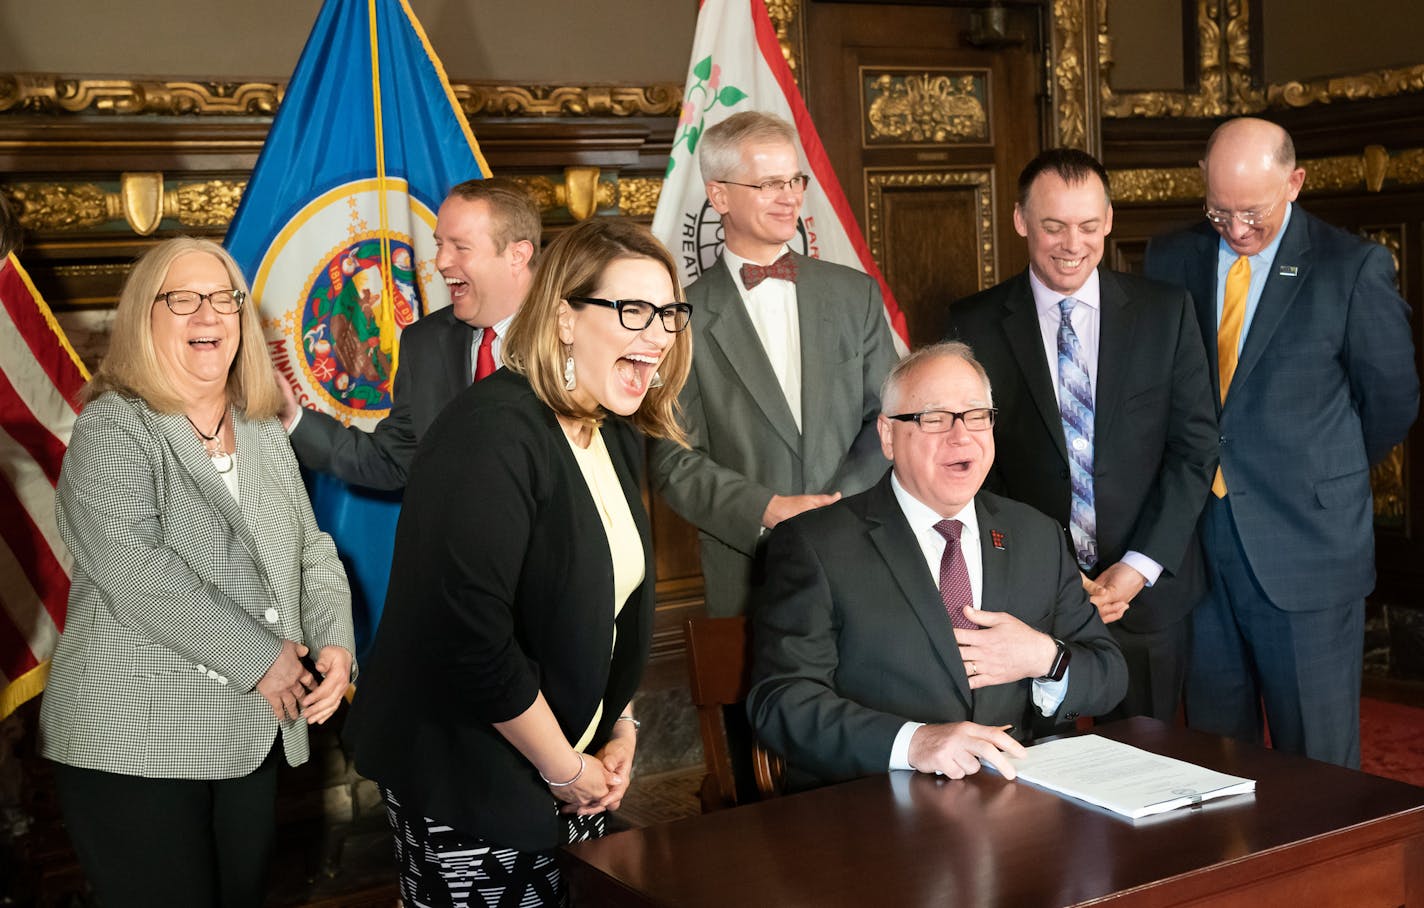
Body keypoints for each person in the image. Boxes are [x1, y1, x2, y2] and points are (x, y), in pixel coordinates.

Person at [344, 218, 693, 905]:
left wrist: (619, 726)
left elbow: (607, 607)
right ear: (564, 317)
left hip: (572, 768)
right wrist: (567, 771)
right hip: (470, 774)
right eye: (633, 311)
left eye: (669, 314)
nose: (657, 334)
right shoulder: (491, 432)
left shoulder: (611, 429)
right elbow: (471, 643)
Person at [38, 237, 355, 907]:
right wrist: (266, 659)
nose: (206, 315)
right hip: (134, 740)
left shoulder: (263, 429)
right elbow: (136, 572)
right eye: (181, 300)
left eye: (222, 299)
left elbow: (312, 551)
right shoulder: (113, 427)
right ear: (143, 320)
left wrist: (336, 645)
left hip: (251, 736)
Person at [1143, 117, 1419, 768]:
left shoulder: (1351, 267)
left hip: (1307, 546)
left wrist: (1322, 472)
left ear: (1294, 183)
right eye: (1219, 212)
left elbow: (1392, 399)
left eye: (1252, 214)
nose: (1236, 230)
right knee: (1215, 756)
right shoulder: (1170, 257)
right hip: (1198, 545)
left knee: (1318, 766)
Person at [747, 342, 1127, 791]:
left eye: (976, 415)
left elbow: (1109, 674)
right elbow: (781, 702)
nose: (961, 435)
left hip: (1016, 804)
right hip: (875, 806)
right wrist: (914, 742)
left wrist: (1045, 658)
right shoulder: (815, 544)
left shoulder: (1036, 535)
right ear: (887, 436)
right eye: (934, 418)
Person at [947, 148, 1217, 724]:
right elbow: (971, 466)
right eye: (1054, 226)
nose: (1073, 243)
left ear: (1109, 221)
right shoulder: (971, 325)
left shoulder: (1165, 312)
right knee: (1039, 790)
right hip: (1029, 597)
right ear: (1020, 221)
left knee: (1152, 773)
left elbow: (1194, 449)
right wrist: (1053, 571)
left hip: (1148, 595)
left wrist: (1139, 566)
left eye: (1089, 226)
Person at [650, 110, 899, 617]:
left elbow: (891, 420)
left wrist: (836, 506)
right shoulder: (679, 319)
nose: (790, 197)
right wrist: (770, 509)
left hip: (866, 553)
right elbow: (674, 461)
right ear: (719, 195)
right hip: (750, 573)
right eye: (768, 184)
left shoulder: (856, 296)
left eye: (794, 180)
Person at [279, 178, 540, 489]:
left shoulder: (575, 336)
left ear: (518, 255)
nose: (441, 262)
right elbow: (392, 459)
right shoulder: (425, 342)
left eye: (460, 247)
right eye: (440, 244)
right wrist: (291, 416)